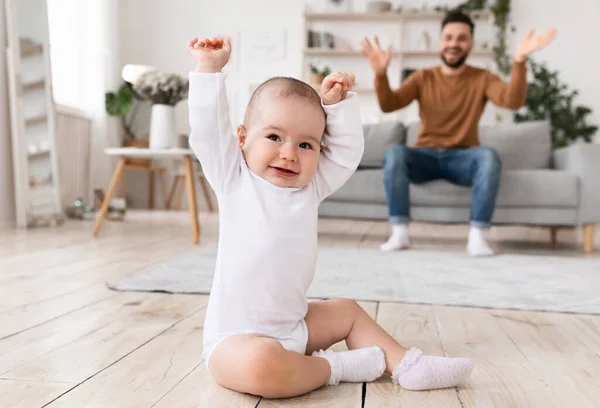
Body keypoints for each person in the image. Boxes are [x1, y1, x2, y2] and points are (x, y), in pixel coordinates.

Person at [186, 36, 474, 399]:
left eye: (306, 144)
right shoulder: (233, 178)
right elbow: (209, 133)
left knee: (347, 311)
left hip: (296, 327)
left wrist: (336, 107)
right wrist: (209, 69)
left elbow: (345, 155)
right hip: (236, 341)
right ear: (242, 139)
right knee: (261, 367)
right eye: (274, 137)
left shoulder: (311, 186)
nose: (289, 154)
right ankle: (337, 366)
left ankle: (407, 365)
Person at [360, 12, 557, 256]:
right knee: (395, 154)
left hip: (463, 159)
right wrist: (380, 74)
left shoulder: (482, 78)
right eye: (449, 37)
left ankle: (477, 236)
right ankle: (399, 232)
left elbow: (512, 101)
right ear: (440, 42)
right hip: (425, 157)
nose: (454, 44)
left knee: (488, 156)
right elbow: (389, 104)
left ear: (471, 44)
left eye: (461, 38)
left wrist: (519, 60)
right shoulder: (423, 77)